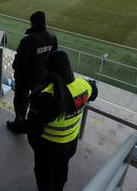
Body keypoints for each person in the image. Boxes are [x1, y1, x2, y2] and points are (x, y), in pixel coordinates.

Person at [25, 50, 98, 191]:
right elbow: (94, 93)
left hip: (46, 147)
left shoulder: (45, 94)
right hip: (70, 145)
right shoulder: (84, 86)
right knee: (61, 173)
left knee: (44, 176)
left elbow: (33, 127)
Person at [7, 11, 57, 133]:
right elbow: (54, 56)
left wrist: (15, 67)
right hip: (42, 78)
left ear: (32, 23)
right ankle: (34, 125)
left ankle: (20, 123)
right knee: (37, 102)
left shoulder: (28, 40)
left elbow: (19, 62)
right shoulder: (52, 37)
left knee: (21, 100)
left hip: (25, 78)